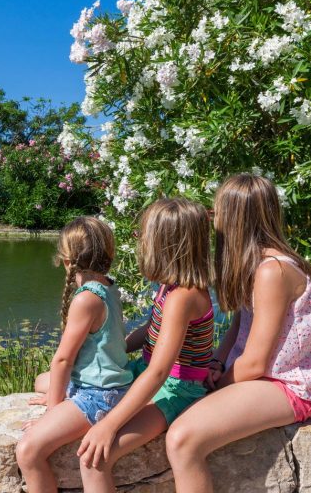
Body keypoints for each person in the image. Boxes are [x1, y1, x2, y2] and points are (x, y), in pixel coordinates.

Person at [165, 174, 311, 493]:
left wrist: (214, 387)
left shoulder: (272, 272)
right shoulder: (255, 265)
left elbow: (255, 363)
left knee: (182, 439)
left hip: (291, 383)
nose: (213, 218)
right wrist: (215, 364)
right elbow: (240, 324)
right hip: (269, 376)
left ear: (235, 218)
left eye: (218, 210)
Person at [75, 198, 215, 492]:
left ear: (164, 245)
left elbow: (159, 372)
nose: (140, 242)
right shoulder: (170, 285)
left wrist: (109, 425)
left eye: (145, 237)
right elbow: (151, 330)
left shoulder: (183, 297)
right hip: (148, 371)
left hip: (178, 391)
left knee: (94, 459)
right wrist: (115, 347)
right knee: (49, 382)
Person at [16, 216, 133, 493]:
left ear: (67, 261)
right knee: (41, 381)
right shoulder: (108, 287)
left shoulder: (85, 299)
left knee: (28, 451)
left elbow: (63, 359)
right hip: (105, 383)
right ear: (109, 253)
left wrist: (53, 410)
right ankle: (62, 395)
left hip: (99, 394)